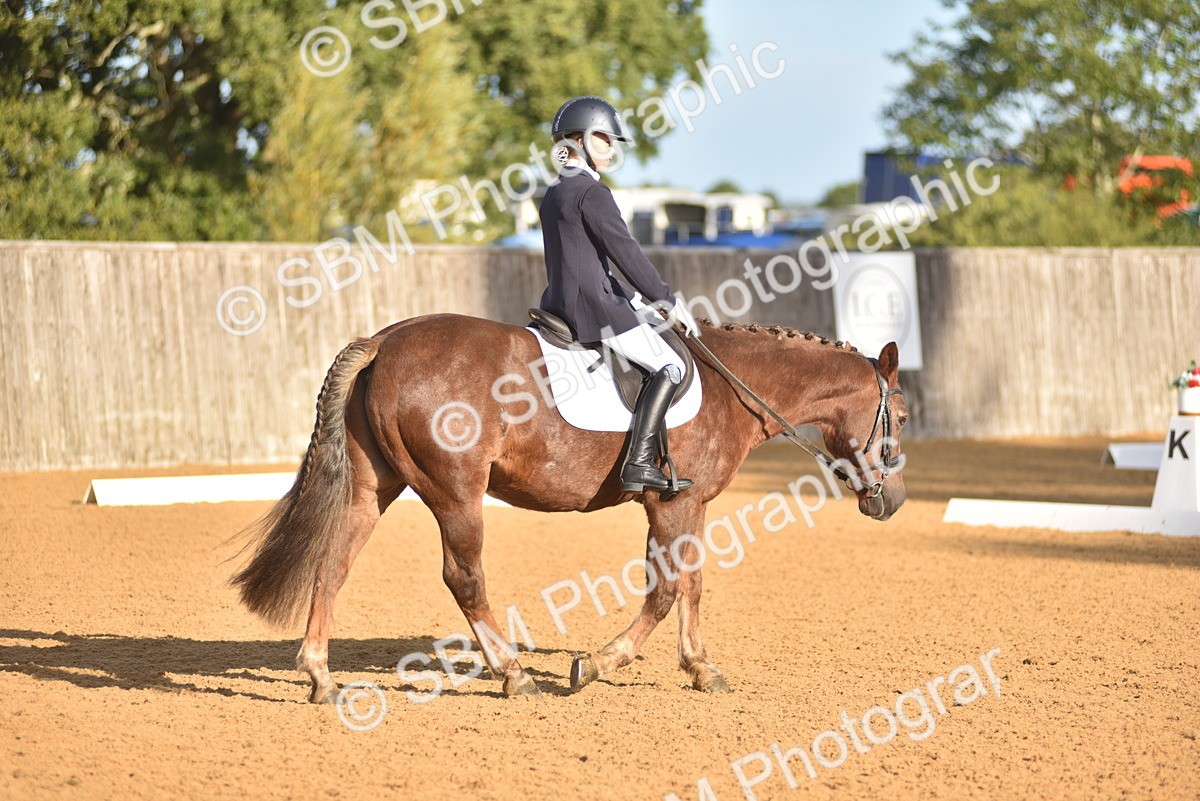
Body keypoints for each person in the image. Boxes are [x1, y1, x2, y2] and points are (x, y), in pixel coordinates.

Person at [537, 96, 700, 497]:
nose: (612, 149)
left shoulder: (555, 191)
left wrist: (637, 302)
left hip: (558, 304)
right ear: (581, 139)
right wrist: (666, 301)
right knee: (670, 366)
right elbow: (626, 253)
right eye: (605, 139)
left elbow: (586, 262)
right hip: (595, 312)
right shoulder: (592, 193)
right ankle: (639, 462)